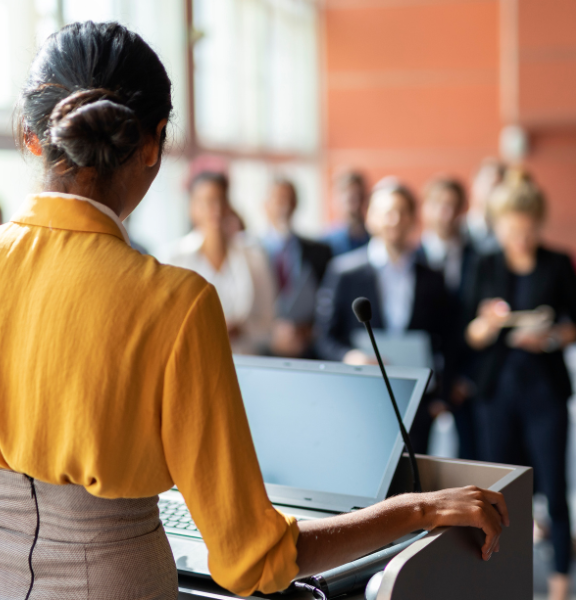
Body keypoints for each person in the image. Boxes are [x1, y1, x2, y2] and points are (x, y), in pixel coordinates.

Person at [0, 21, 509, 600]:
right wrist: (415, 509)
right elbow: (254, 560)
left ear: (32, 135)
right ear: (152, 141)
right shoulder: (174, 303)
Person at [465, 173, 576, 600]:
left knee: (555, 486)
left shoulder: (557, 262)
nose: (520, 237)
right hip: (497, 390)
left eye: (528, 228)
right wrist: (489, 322)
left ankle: (560, 585)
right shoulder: (484, 262)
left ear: (540, 223)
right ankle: (502, 581)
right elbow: (471, 335)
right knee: (499, 494)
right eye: (511, 229)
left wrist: (551, 336)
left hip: (545, 390)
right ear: (497, 225)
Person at [315, 183, 450, 453]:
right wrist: (349, 356)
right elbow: (324, 336)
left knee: (417, 481)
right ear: (370, 217)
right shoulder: (344, 272)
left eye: (402, 212)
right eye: (386, 212)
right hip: (363, 396)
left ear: (414, 218)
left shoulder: (433, 277)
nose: (394, 220)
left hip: (417, 399)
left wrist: (440, 394)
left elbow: (446, 337)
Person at [160, 171, 275, 355]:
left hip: (245, 361)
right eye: (206, 202)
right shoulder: (174, 258)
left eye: (221, 200)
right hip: (193, 359)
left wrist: (243, 330)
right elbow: (166, 323)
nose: (216, 210)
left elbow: (268, 322)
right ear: (192, 208)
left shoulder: (254, 256)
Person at [415, 177, 478, 460]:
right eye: (439, 205)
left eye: (454, 206)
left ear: (464, 209)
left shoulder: (480, 259)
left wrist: (463, 377)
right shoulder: (409, 259)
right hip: (424, 379)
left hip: (468, 377)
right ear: (426, 208)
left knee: (473, 460)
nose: (447, 213)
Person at [262, 178, 332, 358]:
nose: (284, 206)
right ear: (265, 205)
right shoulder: (251, 251)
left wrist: (308, 330)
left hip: (306, 347)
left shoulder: (319, 251)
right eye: (278, 199)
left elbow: (328, 300)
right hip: (264, 350)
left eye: (290, 199)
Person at [322, 170, 370, 256]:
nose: (356, 205)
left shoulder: (374, 238)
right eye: (351, 200)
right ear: (336, 199)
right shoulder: (325, 242)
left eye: (360, 197)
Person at [465, 158, 505, 254]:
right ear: (473, 185)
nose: (490, 190)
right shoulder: (456, 229)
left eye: (497, 185)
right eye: (486, 181)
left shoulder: (507, 234)